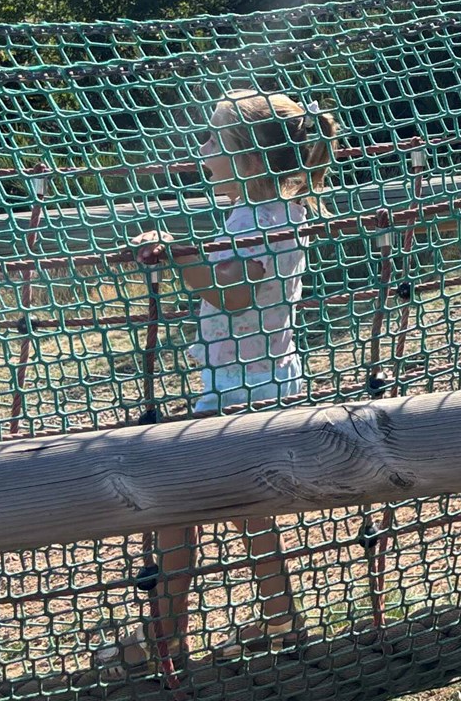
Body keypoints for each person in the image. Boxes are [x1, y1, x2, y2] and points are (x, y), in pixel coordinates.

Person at [94, 88, 338, 674]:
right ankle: (279, 617)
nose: (203, 149)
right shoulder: (278, 211)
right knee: (249, 510)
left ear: (247, 161)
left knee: (174, 504)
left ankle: (162, 639)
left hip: (237, 391)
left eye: (214, 140)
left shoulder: (258, 219)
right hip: (266, 381)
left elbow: (232, 293)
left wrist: (173, 254)